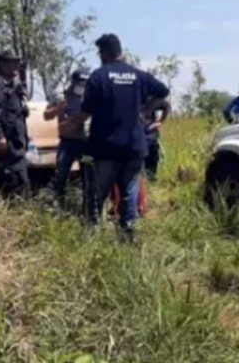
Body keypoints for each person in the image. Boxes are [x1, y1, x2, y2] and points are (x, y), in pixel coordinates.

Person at [66, 33, 169, 240]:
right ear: (120, 51)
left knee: (98, 192)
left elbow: (86, 111)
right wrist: (145, 109)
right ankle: (127, 234)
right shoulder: (139, 75)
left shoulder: (99, 76)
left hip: (106, 146)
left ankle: (92, 234)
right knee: (129, 191)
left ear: (104, 53)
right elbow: (163, 91)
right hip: (133, 146)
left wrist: (71, 124)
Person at [0, 50, 31, 198]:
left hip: (17, 139)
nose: (15, 66)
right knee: (16, 177)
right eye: (12, 62)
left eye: (17, 63)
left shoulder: (14, 85)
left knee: (16, 177)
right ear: (2, 64)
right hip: (7, 139)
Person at [44, 68, 93, 208]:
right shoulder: (61, 96)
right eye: (79, 83)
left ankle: (87, 208)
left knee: (88, 176)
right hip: (67, 143)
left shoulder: (89, 96)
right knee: (61, 174)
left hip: (86, 143)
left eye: (84, 83)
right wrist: (57, 109)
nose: (82, 86)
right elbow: (46, 116)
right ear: (73, 81)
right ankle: (59, 204)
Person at [142, 100, 170, 181]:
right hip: (136, 131)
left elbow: (166, 105)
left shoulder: (152, 99)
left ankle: (151, 176)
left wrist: (160, 122)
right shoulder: (132, 97)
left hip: (150, 131)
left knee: (153, 153)